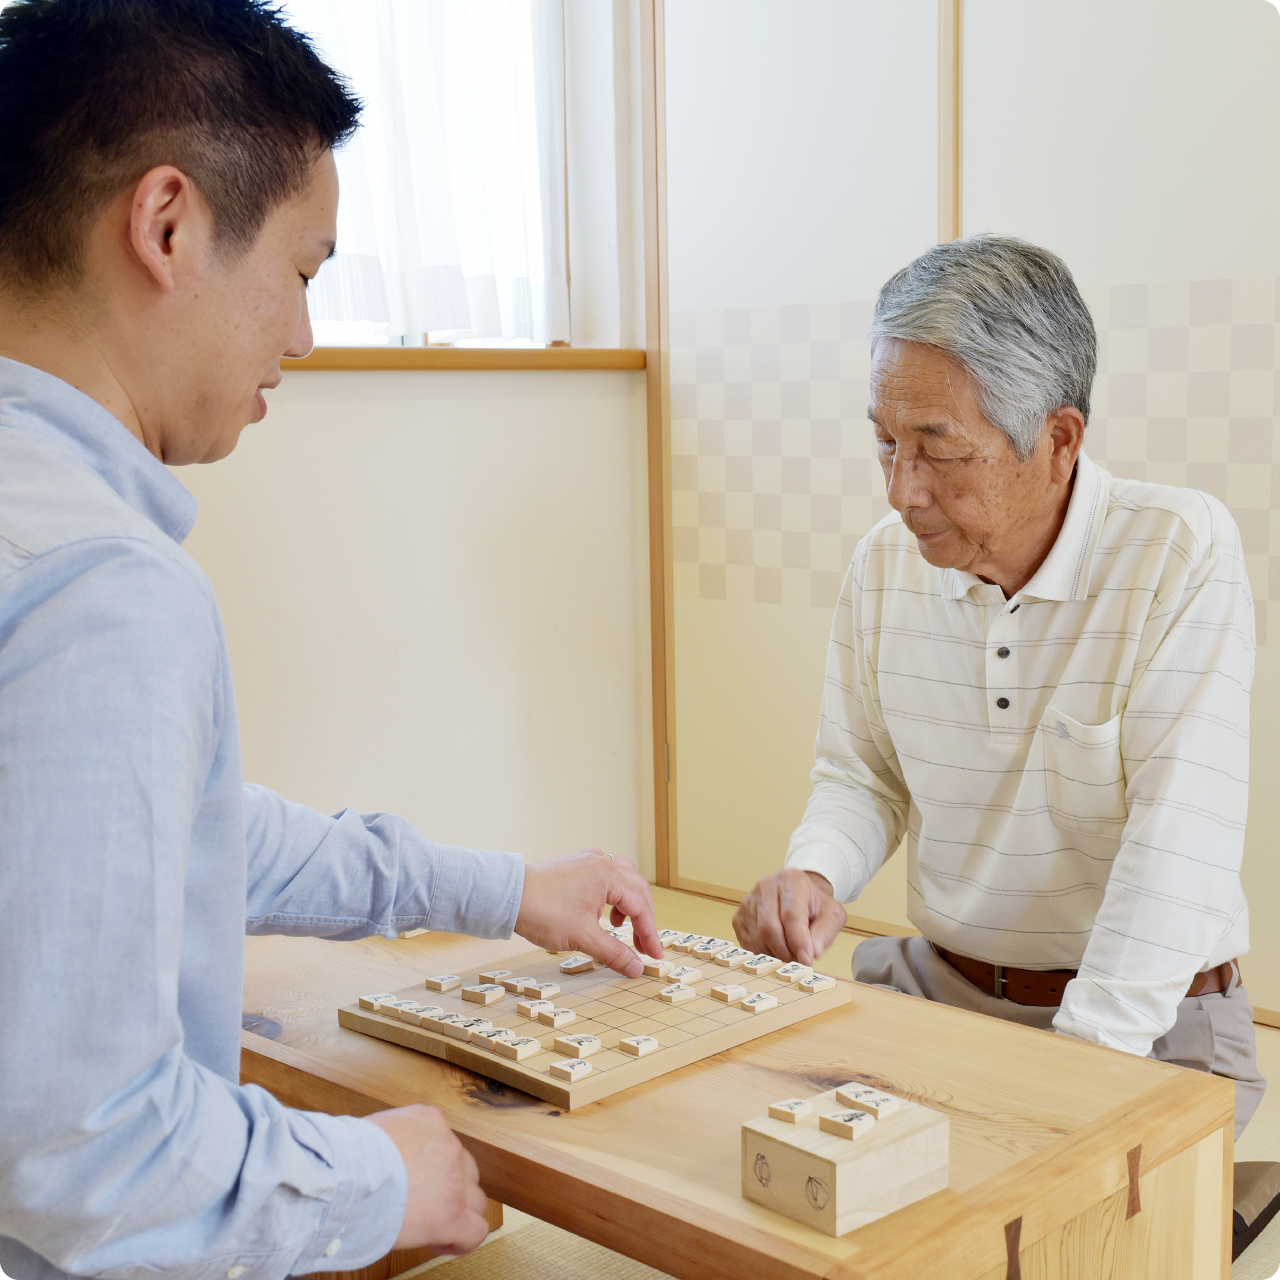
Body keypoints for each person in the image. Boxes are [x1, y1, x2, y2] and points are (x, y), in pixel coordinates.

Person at [0, 2, 660, 1277]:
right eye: (303, 273)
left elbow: (179, 837)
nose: (302, 336)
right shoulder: (102, 586)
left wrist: (502, 887)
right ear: (167, 224)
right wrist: (378, 1179)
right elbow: (82, 1144)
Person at [733, 234, 1265, 1140]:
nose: (901, 491)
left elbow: (1178, 845)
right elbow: (863, 775)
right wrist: (816, 870)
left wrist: (1067, 1077)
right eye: (885, 443)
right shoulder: (884, 565)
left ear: (1057, 441)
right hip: (940, 994)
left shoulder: (1177, 549)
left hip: (1152, 1023)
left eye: (937, 450)